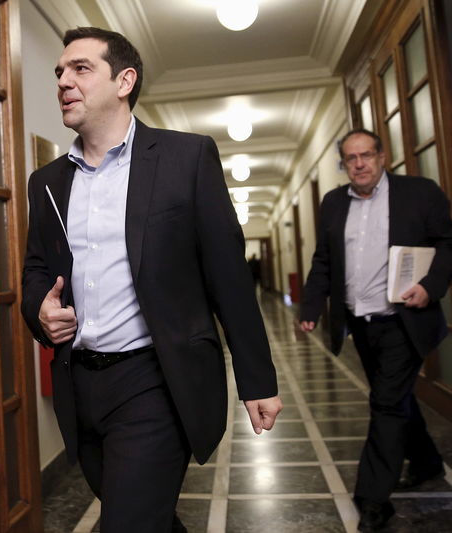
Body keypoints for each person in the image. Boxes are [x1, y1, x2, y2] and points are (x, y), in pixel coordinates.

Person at [21, 27, 282, 533]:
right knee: (144, 514)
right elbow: (36, 268)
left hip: (156, 379)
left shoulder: (186, 158)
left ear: (125, 80)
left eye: (80, 69)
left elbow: (228, 274)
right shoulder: (47, 181)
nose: (63, 81)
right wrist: (39, 310)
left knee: (127, 522)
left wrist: (258, 379)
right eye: (59, 72)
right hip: (80, 382)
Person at [298, 129, 452, 531]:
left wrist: (430, 287)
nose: (359, 164)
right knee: (394, 396)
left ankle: (372, 499)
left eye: (366, 155)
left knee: (386, 404)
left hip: (403, 319)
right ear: (344, 164)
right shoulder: (334, 203)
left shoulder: (419, 193)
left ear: (382, 156)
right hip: (360, 321)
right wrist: (311, 306)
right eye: (350, 158)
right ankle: (426, 463)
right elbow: (324, 259)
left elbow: (450, 244)